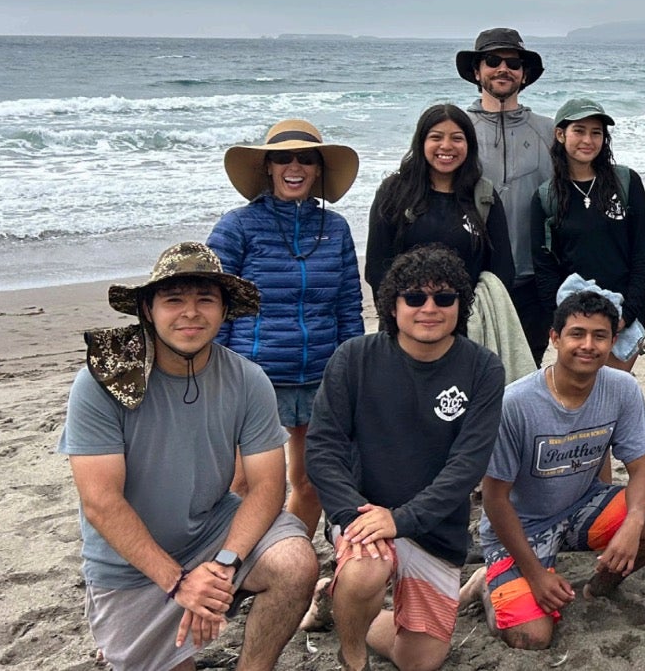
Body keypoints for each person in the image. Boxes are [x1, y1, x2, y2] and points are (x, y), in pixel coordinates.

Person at [60, 242, 318, 671]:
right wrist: (179, 583)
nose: (191, 313)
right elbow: (101, 502)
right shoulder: (103, 382)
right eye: (173, 299)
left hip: (211, 532)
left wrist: (222, 566)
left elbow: (269, 487)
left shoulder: (248, 379)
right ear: (147, 308)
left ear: (224, 309)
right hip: (129, 564)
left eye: (205, 299)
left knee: (295, 563)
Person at [303, 245, 505, 671]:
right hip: (363, 515)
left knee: (421, 661)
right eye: (414, 297)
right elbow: (322, 449)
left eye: (444, 298)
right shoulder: (353, 358)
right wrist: (352, 514)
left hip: (433, 527)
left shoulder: (482, 368)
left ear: (459, 305)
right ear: (393, 306)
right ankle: (353, 654)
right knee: (365, 569)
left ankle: (336, 604)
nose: (429, 308)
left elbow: (467, 466)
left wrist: (403, 519)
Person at [464, 291, 645, 650]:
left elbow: (642, 471)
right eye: (576, 334)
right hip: (522, 524)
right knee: (531, 637)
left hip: (582, 507)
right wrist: (535, 575)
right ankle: (487, 583)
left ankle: (597, 589)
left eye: (599, 336)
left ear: (613, 341)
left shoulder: (621, 388)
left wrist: (632, 524)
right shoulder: (515, 403)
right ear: (555, 338)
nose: (588, 345)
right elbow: (494, 499)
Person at [209, 117, 364, 534]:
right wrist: (212, 370)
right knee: (247, 485)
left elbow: (349, 306)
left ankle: (290, 557)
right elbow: (212, 305)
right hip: (254, 376)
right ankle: (239, 570)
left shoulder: (336, 228)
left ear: (318, 169)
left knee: (312, 483)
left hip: (321, 375)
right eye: (283, 158)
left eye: (306, 159)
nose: (294, 167)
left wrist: (355, 371)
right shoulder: (236, 226)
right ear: (268, 167)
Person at [530, 97, 645, 371]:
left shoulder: (626, 182)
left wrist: (628, 314)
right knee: (580, 392)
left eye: (596, 132)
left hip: (625, 312)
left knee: (613, 390)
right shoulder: (546, 196)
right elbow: (545, 268)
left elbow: (644, 253)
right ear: (561, 134)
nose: (588, 140)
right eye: (579, 131)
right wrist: (564, 319)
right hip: (574, 315)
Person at [455, 27, 557, 352]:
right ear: (477, 71)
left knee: (526, 377)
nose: (503, 68)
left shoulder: (550, 131)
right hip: (471, 280)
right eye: (492, 60)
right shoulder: (455, 130)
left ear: (524, 74)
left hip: (533, 282)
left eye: (513, 62)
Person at [365, 103, 513, 293]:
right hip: (408, 315)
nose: (446, 146)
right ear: (421, 142)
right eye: (436, 137)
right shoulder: (393, 191)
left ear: (469, 145)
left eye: (457, 138)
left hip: (470, 317)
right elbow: (377, 267)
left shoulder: (483, 194)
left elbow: (502, 269)